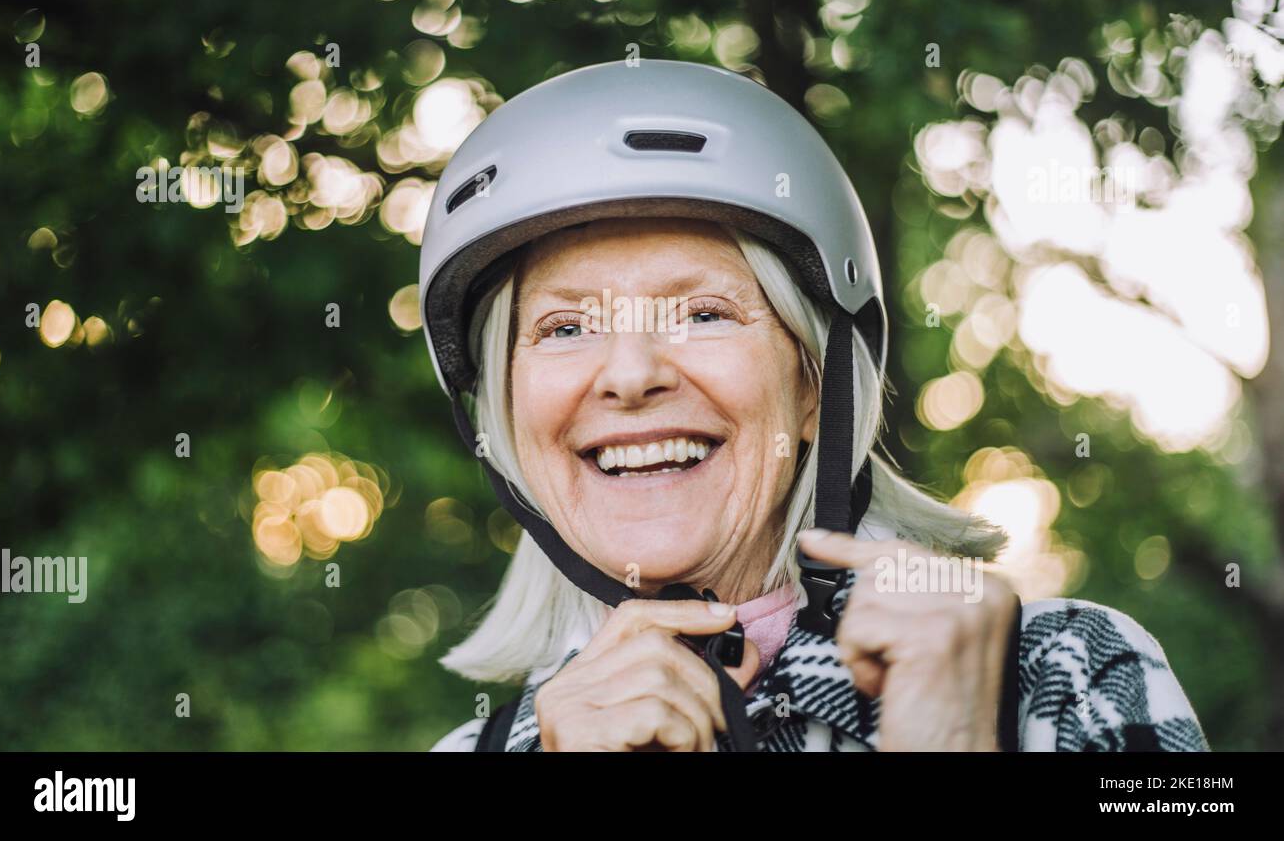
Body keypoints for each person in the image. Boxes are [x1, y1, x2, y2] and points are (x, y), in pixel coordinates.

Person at [419, 60, 1208, 752]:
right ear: (505, 412)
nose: (629, 376)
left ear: (815, 385)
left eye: (703, 314)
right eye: (567, 327)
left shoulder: (1067, 677)